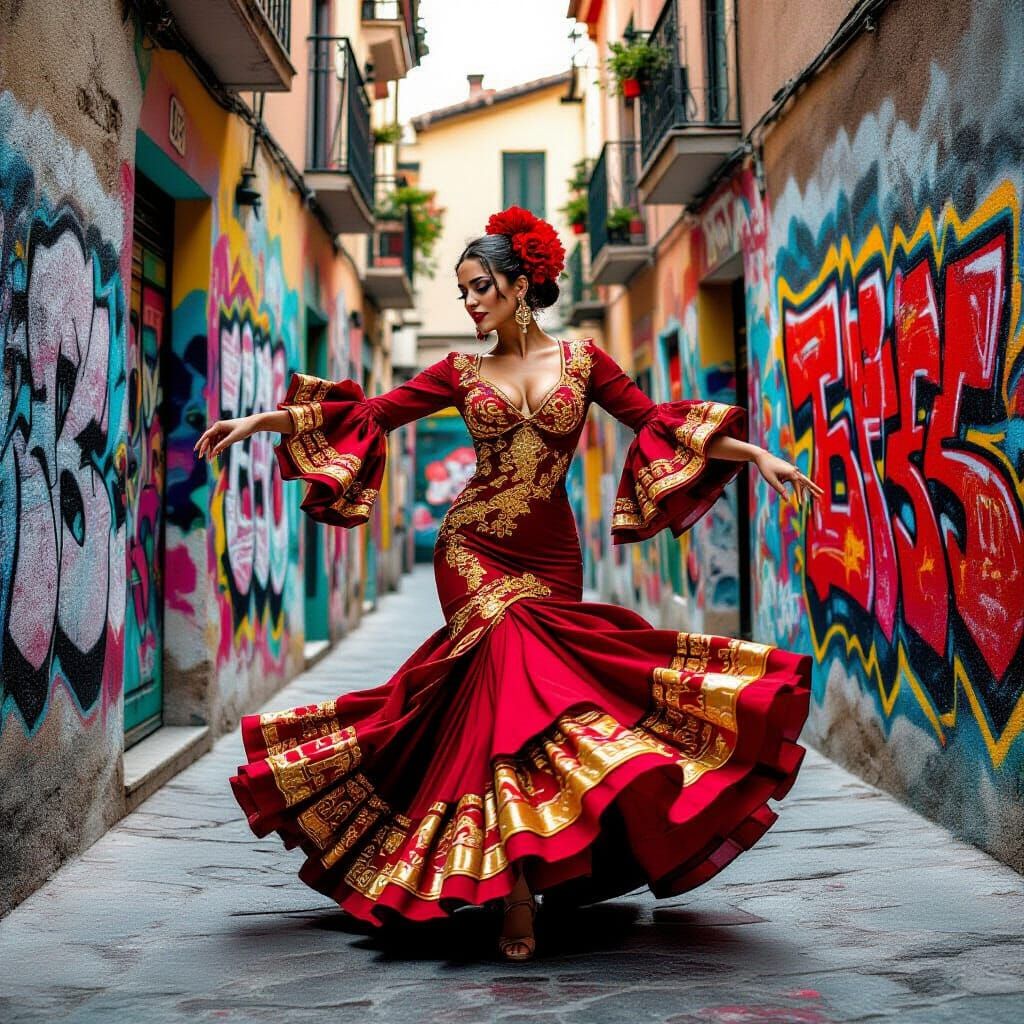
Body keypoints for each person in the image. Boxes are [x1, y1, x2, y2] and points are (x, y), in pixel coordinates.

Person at [195, 205, 821, 963]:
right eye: (462, 291)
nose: (469, 302)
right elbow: (374, 415)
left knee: (525, 704)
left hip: (552, 557)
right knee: (510, 659)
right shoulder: (458, 372)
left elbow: (656, 423)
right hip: (471, 550)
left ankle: (536, 854)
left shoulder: (586, 363)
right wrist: (262, 423)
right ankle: (518, 888)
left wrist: (757, 456)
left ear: (521, 285)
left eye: (480, 286)